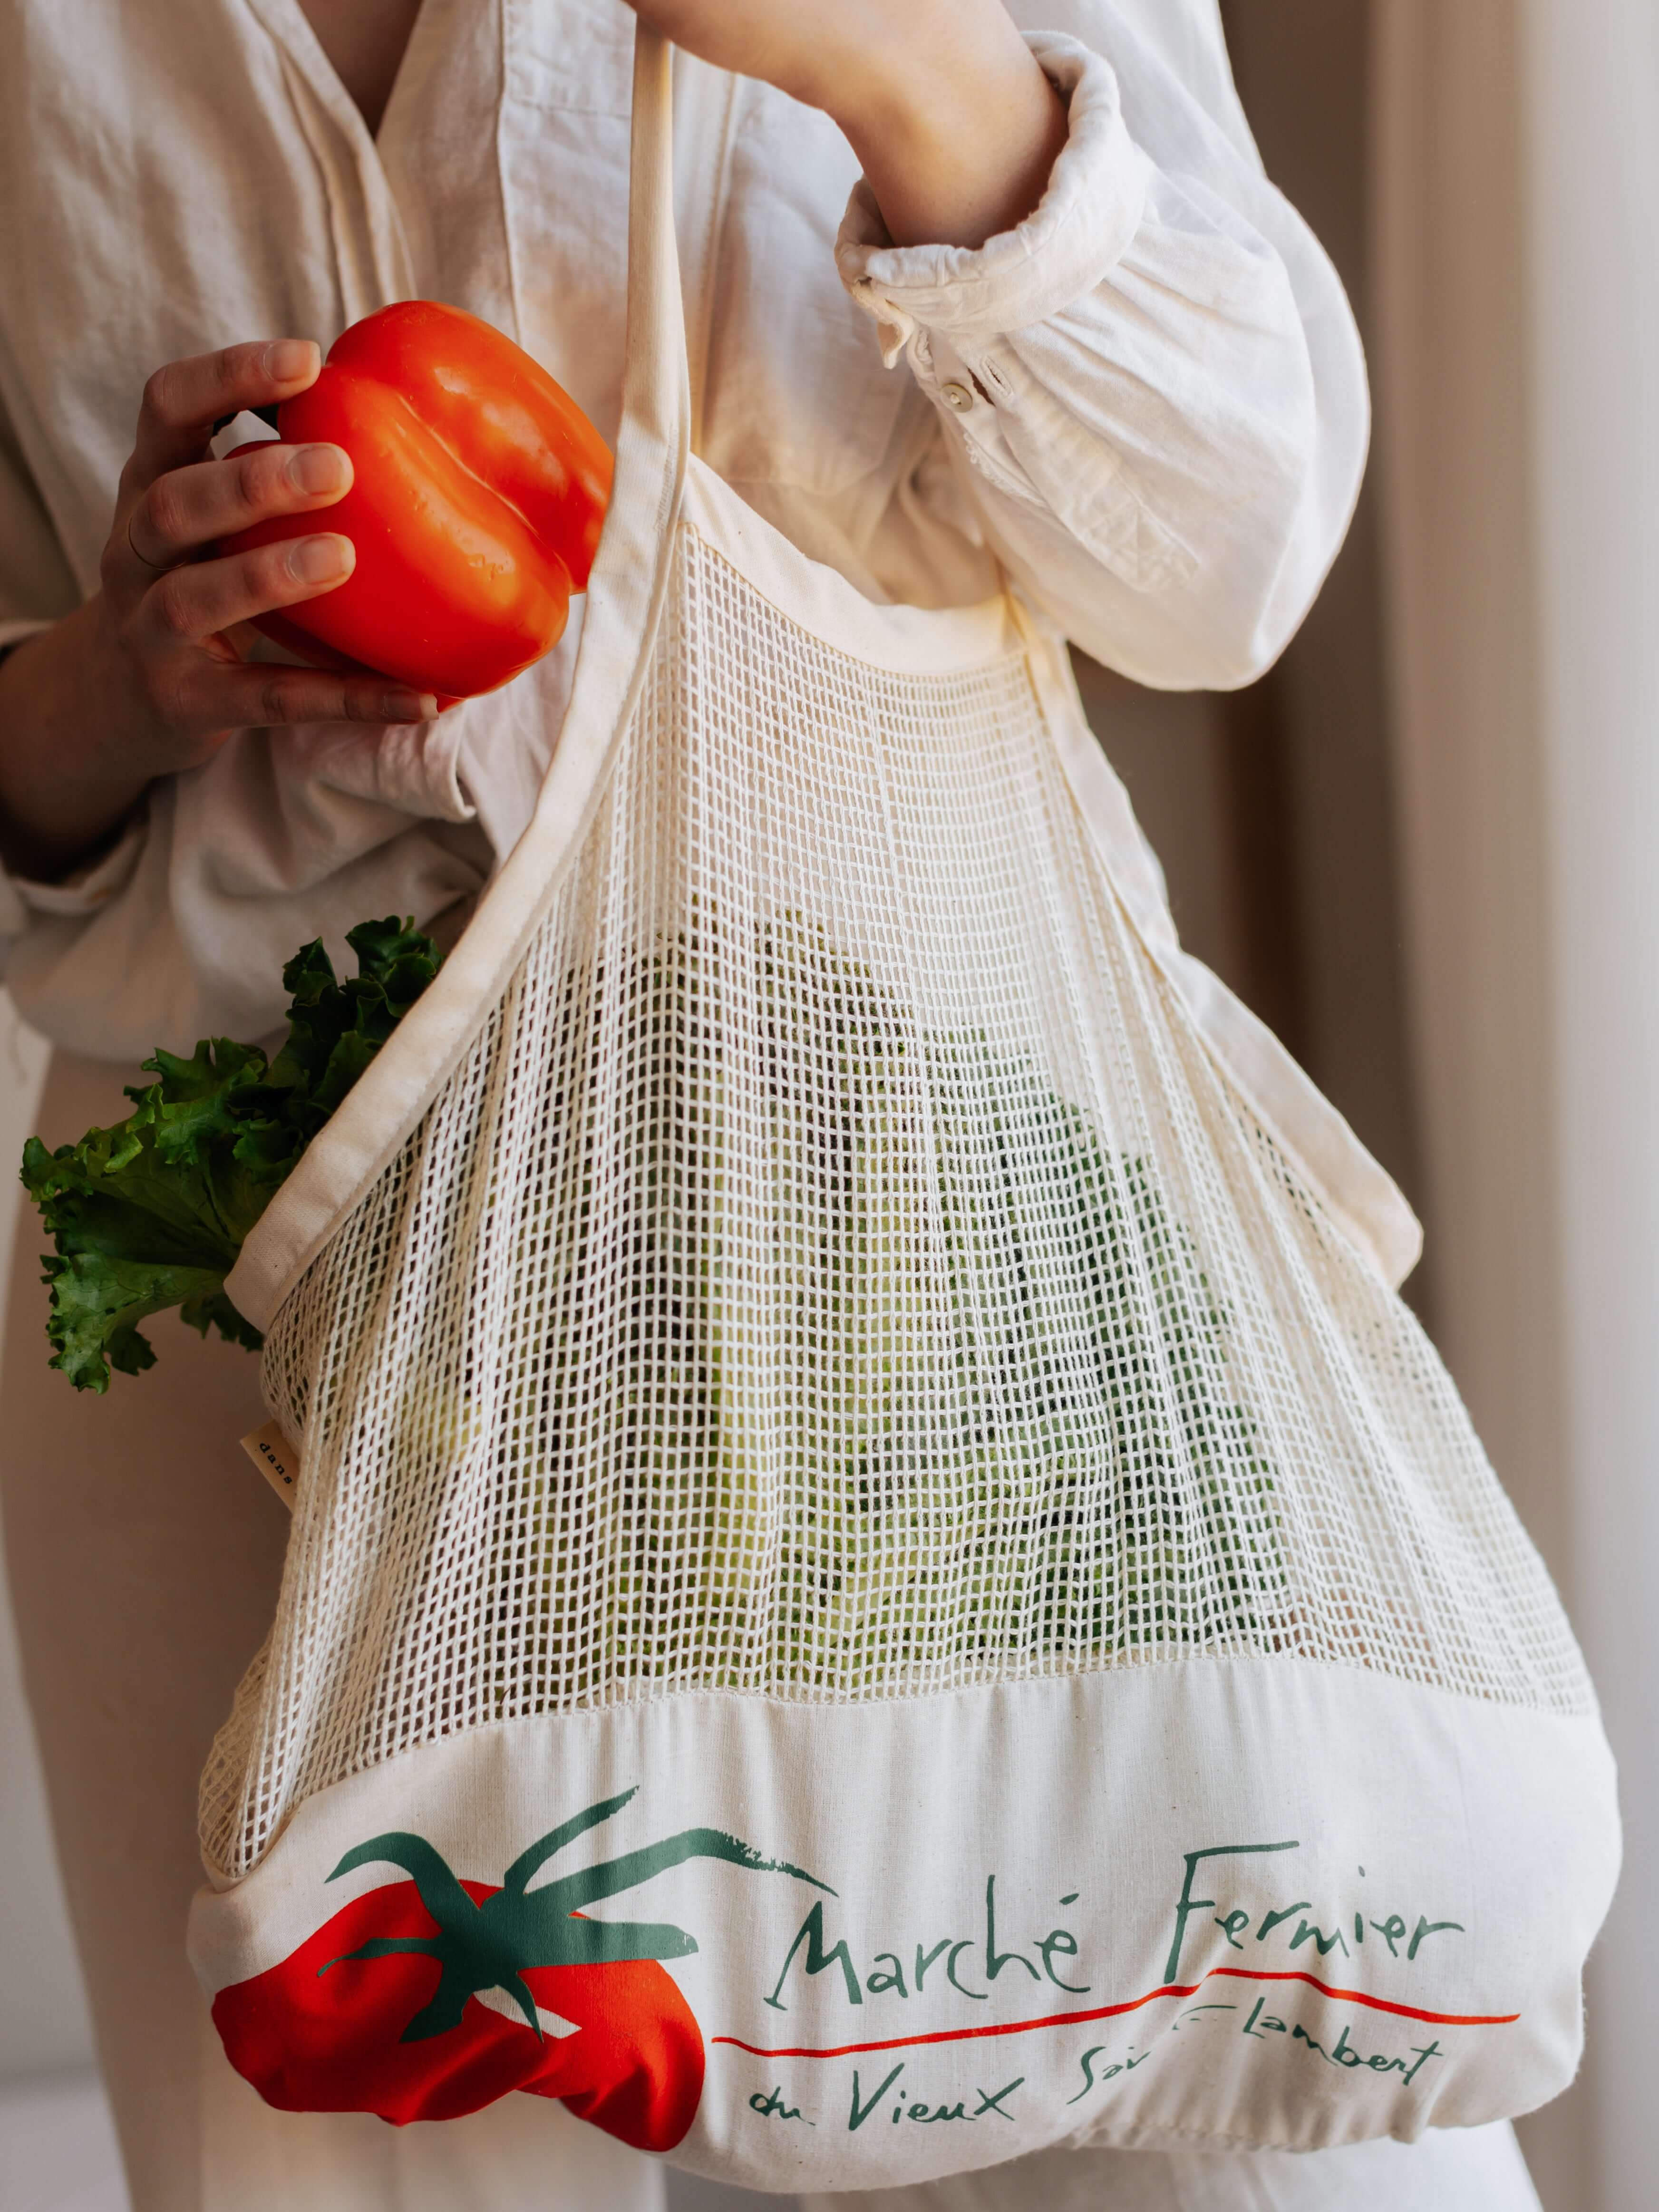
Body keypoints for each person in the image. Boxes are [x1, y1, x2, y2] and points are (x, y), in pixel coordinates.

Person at [0, 3, 1543, 2209]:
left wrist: (904, 64)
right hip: (253, 1291)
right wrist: (97, 684)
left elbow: (1227, 553)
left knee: (1259, 2145)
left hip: (923, 1205)